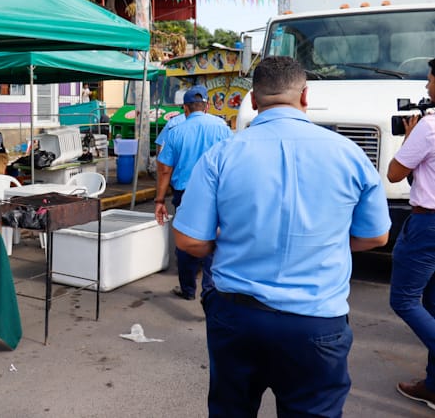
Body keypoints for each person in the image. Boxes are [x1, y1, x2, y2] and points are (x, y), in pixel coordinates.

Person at [173, 56, 390, 416]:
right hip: (317, 322)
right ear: (305, 96)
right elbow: (377, 237)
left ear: (254, 100)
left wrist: (234, 242)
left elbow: (188, 241)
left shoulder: (222, 155)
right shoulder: (349, 154)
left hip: (238, 317)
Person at [388, 58, 435, 409]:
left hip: (427, 224)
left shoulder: (428, 127)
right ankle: (433, 386)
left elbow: (393, 172)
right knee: (433, 302)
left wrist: (409, 137)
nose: (426, 87)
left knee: (403, 300)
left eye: (430, 79)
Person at [154, 85, 231, 301]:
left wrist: (159, 200)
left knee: (186, 240)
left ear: (185, 109)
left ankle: (188, 290)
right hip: (217, 191)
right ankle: (210, 292)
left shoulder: (176, 131)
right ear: (206, 107)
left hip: (185, 193)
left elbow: (165, 169)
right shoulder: (223, 129)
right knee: (213, 240)